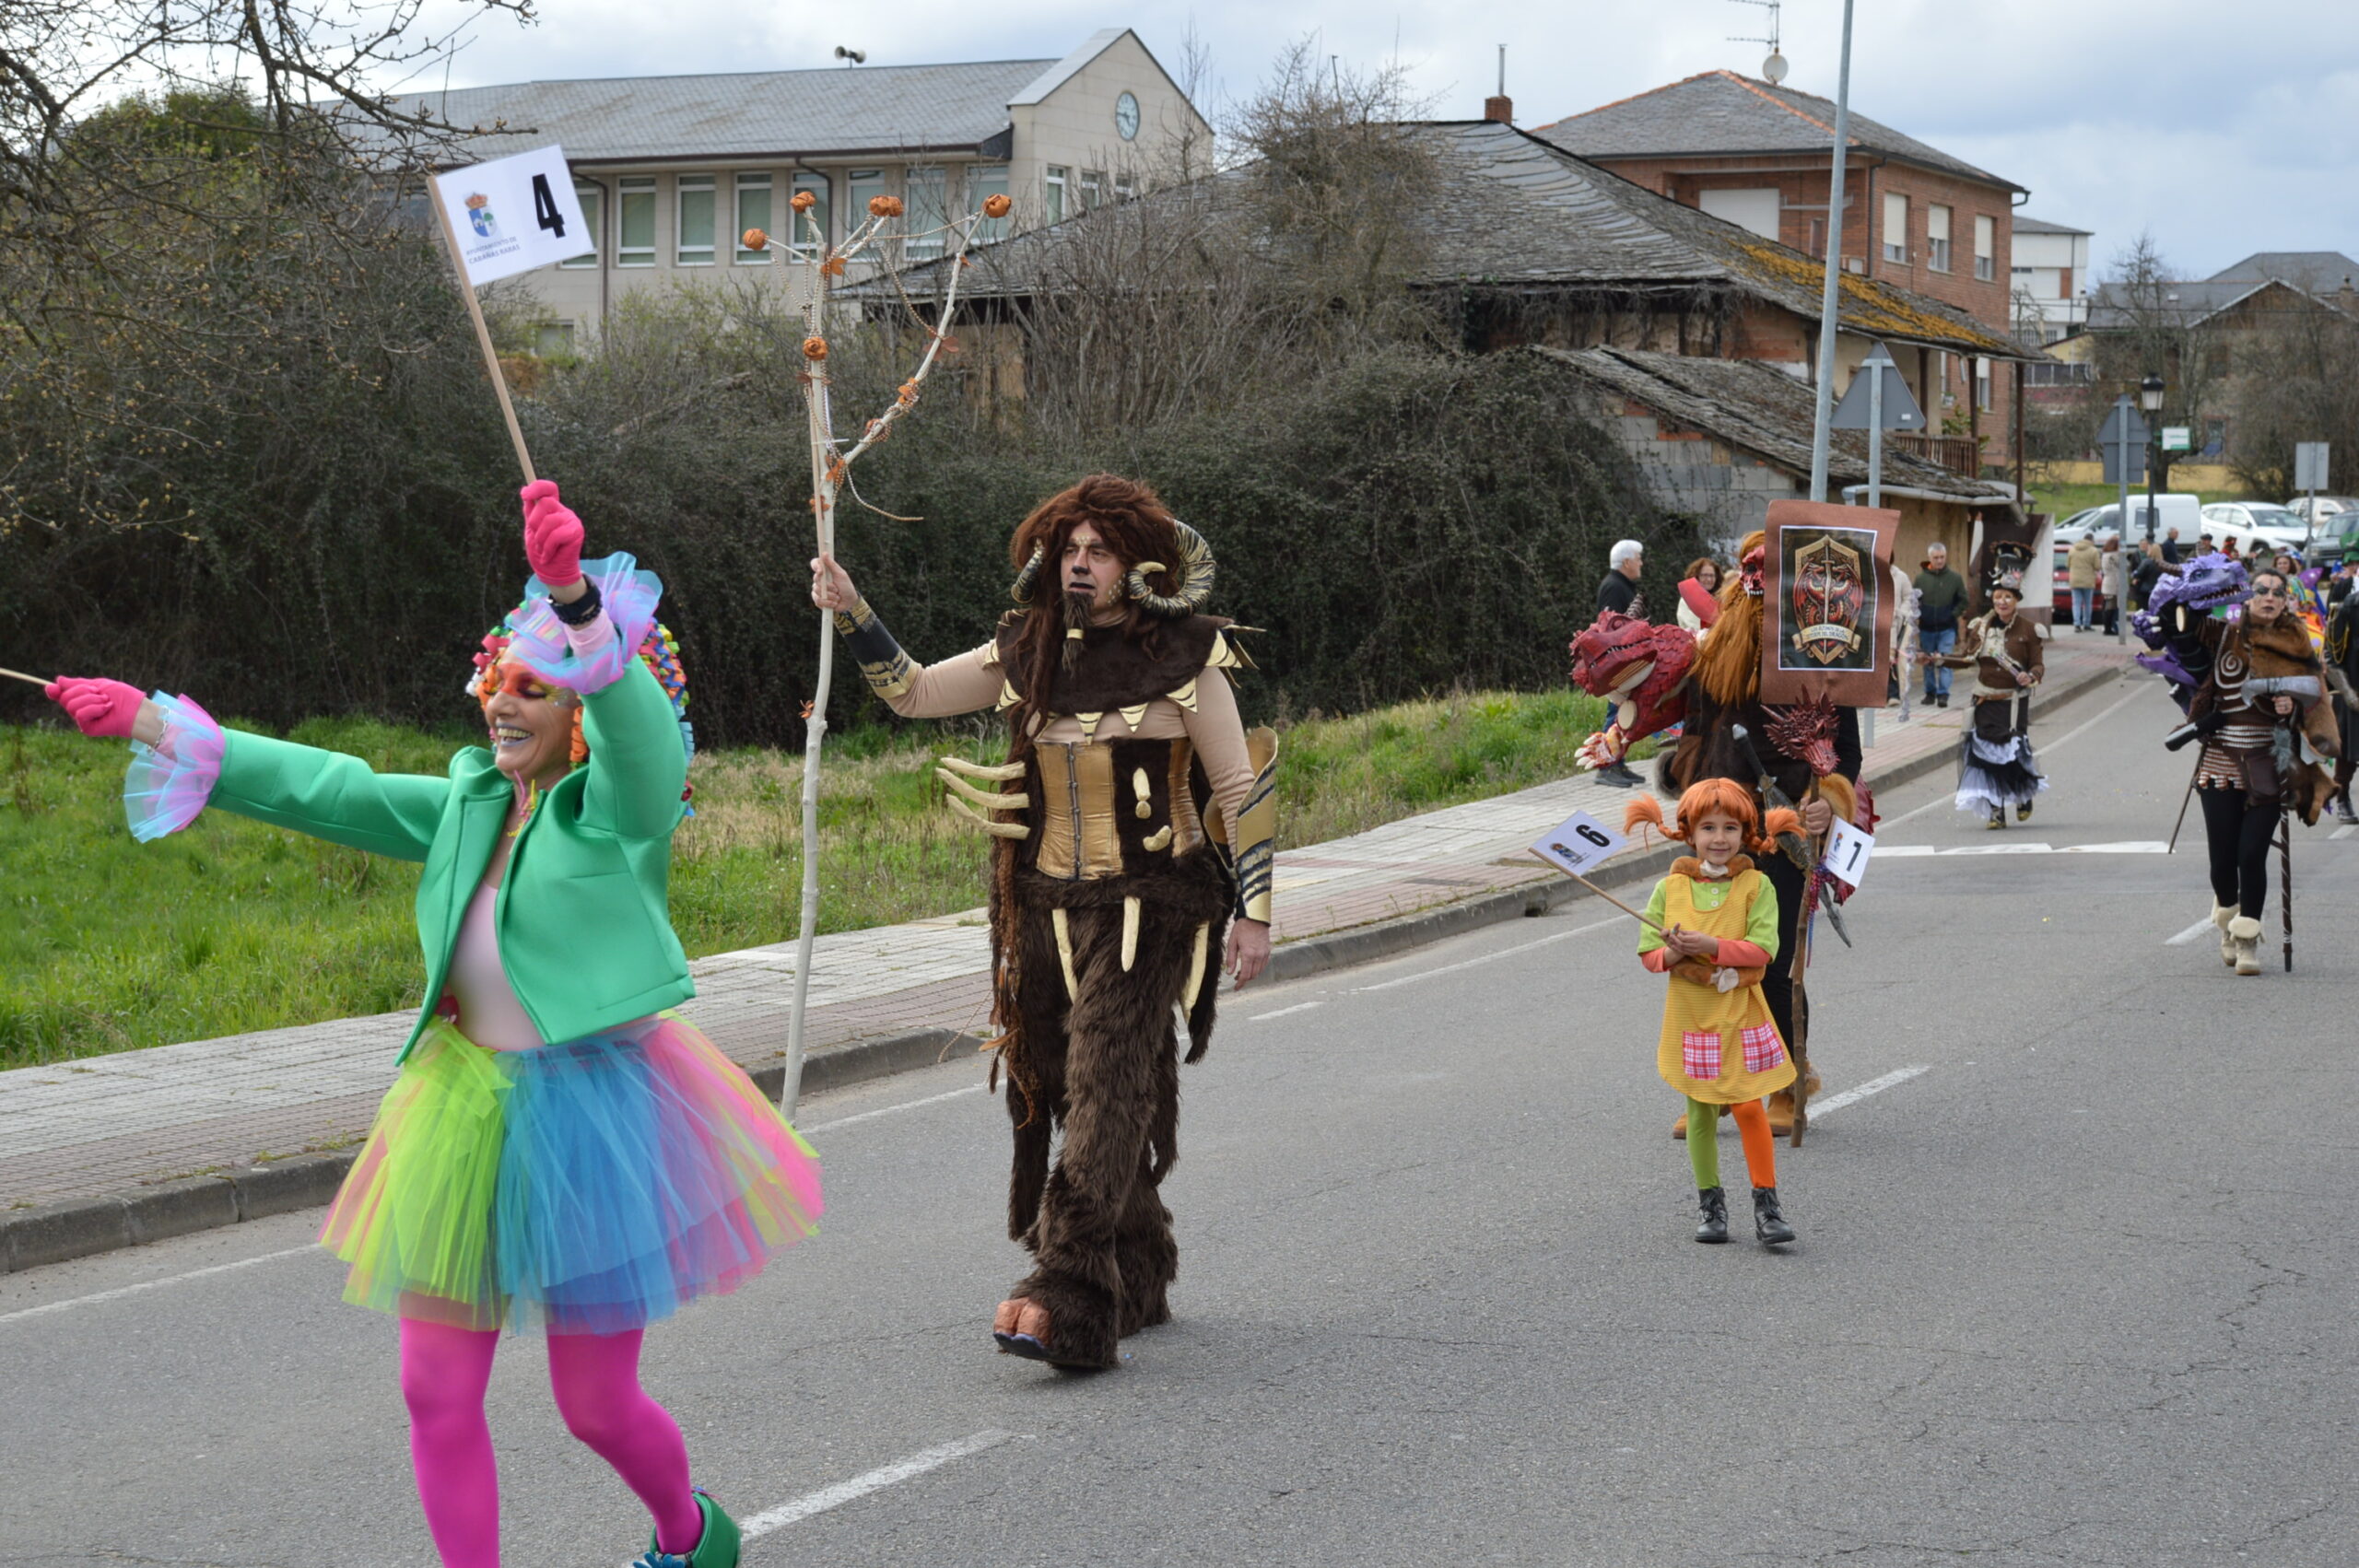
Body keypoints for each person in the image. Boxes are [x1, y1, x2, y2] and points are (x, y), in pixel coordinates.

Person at [43, 483, 816, 1567]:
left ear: (584, 709)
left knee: (592, 1407)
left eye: (537, 689)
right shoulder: (466, 802)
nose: (505, 702)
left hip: (599, 1120)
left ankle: (691, 1534)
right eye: (501, 681)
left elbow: (647, 752)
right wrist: (152, 719)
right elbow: (331, 787)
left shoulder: (618, 814)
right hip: (458, 1108)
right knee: (433, 1391)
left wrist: (578, 602)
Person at [809, 474, 1273, 1370]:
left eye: (1099, 551)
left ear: (1139, 564)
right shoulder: (1027, 649)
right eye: (1070, 550)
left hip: (1155, 901)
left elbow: (1237, 788)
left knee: (1108, 1076)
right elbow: (908, 693)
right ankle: (1140, 1261)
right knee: (1061, 1083)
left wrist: (1253, 913)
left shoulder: (1188, 657)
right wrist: (852, 608)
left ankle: (1073, 1291)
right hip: (1044, 905)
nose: (1081, 565)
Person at [1652, 531, 1860, 1138]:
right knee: (1701, 959)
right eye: (1752, 579)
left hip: (1785, 828)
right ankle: (1715, 1091)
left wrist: (1827, 802)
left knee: (1770, 963)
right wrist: (1688, 785)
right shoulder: (1711, 657)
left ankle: (1787, 1085)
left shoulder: (1824, 664)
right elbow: (1689, 737)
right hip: (1716, 827)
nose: (1759, 593)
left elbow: (1845, 753)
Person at [1623, 779, 1801, 1247]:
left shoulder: (1756, 885)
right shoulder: (1669, 889)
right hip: (1692, 1017)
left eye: (1730, 827)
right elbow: (1648, 955)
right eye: (1707, 827)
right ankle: (1711, 1204)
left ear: (1746, 833)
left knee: (1746, 1104)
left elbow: (1764, 949)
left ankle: (1767, 1205)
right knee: (1700, 1112)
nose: (1719, 838)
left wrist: (1711, 946)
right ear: (1688, 833)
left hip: (1741, 1013)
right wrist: (1673, 955)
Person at [2166, 567, 2337, 973]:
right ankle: (2227, 915)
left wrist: (2291, 706)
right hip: (2220, 758)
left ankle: (2247, 942)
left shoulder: (2297, 643)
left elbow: (2315, 698)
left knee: (2251, 854)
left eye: (2278, 592)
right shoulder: (2222, 633)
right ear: (2248, 596)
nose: (2269, 597)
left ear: (2286, 601)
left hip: (2268, 761)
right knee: (2222, 860)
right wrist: (2187, 593)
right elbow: (2180, 629)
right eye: (2261, 590)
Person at [1922, 577, 2045, 828]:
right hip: (1985, 701)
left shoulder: (2029, 630)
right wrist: (1938, 660)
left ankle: (2023, 792)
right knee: (1986, 757)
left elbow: (2038, 664)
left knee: (2013, 753)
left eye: (2008, 597)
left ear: (2017, 600)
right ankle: (1995, 812)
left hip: (2013, 702)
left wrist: (2031, 675)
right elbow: (1967, 659)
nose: (2002, 601)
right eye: (1999, 596)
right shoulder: (1980, 627)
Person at [1913, 542, 1969, 708]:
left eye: (1942, 557)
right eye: (1936, 557)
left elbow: (1964, 600)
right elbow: (1914, 600)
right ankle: (1930, 692)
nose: (1939, 561)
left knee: (1945, 659)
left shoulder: (1955, 578)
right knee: (1928, 660)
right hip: (1927, 627)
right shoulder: (1921, 579)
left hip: (1947, 628)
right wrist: (1920, 615)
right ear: (1930, 558)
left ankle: (1943, 694)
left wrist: (1953, 614)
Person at [1598, 538, 1646, 618]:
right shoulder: (1613, 588)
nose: (1641, 563)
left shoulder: (1620, 585)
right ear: (1627, 562)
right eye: (1638, 559)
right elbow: (1612, 628)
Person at [1676, 556, 1722, 633]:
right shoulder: (1686, 600)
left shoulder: (1720, 598)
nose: (1709, 579)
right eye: (1705, 575)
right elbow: (1696, 627)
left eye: (1712, 575)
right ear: (1696, 576)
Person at [2067, 533, 2102, 631]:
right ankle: (2087, 624)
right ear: (2092, 540)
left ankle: (2077, 624)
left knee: (2076, 603)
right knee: (2087, 604)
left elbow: (2068, 564)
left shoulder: (2072, 549)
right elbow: (2097, 566)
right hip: (2088, 581)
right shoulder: (2094, 551)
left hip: (2075, 580)